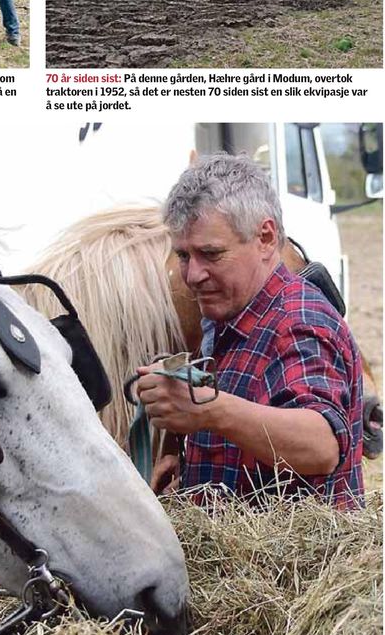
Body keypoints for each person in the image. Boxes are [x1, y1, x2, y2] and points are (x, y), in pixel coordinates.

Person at [136, 154, 364, 509]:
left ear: (266, 238)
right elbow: (249, 434)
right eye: (183, 256)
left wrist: (207, 410)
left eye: (211, 254)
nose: (192, 275)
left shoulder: (299, 321)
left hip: (291, 565)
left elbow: (321, 446)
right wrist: (194, 473)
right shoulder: (232, 315)